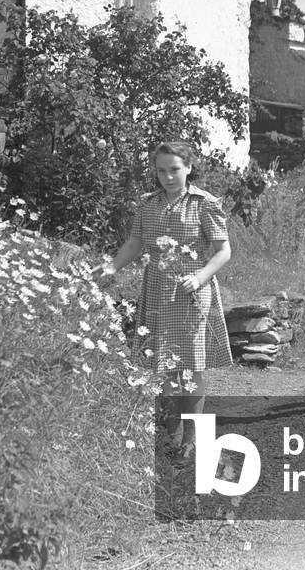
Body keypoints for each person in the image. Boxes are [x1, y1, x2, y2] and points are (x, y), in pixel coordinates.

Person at [95, 140, 232, 457]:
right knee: (162, 365)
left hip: (193, 292)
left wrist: (199, 277)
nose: (168, 177)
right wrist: (108, 270)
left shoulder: (204, 204)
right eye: (161, 171)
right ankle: (171, 435)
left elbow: (224, 251)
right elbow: (135, 244)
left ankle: (192, 439)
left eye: (174, 170)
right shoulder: (148, 204)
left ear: (188, 168)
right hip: (157, 288)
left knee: (192, 366)